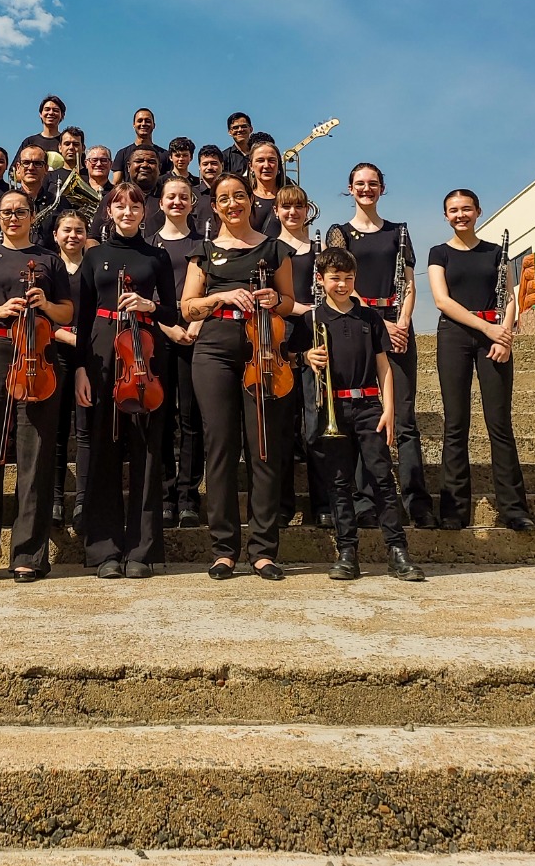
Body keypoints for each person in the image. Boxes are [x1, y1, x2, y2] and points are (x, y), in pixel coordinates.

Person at [181, 175, 294, 581]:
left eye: (239, 196)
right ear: (214, 206)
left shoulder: (275, 248)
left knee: (263, 446)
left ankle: (263, 550)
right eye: (224, 198)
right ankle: (224, 550)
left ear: (250, 201)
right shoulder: (203, 251)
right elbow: (188, 307)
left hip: (262, 349)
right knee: (220, 447)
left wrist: (274, 299)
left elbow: (288, 302)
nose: (233, 204)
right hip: (213, 351)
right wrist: (219, 297)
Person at [0, 191, 72, 582]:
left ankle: (28, 555)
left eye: (21, 211)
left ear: (32, 215)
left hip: (37, 353)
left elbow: (67, 311)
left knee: (34, 454)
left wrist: (45, 305)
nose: (13, 217)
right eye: (6, 212)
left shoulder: (50, 260)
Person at [326, 163, 437, 531]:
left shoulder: (398, 231)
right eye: (359, 183)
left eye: (373, 183)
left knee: (404, 418)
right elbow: (343, 284)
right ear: (350, 188)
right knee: (364, 416)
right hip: (361, 326)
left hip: (398, 325)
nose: (366, 188)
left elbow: (409, 283)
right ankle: (365, 503)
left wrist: (402, 321)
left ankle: (416, 502)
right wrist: (381, 323)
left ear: (382, 188)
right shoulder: (339, 233)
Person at [75, 184, 177, 578]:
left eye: (135, 205)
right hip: (102, 353)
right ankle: (105, 551)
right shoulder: (94, 256)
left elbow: (172, 313)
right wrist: (81, 368)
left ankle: (142, 551)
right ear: (109, 211)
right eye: (120, 205)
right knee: (103, 449)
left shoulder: (157, 256)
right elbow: (84, 317)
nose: (128, 211)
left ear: (144, 211)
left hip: (144, 354)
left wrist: (150, 305)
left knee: (147, 451)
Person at [306, 248, 425, 583]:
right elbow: (298, 357)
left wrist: (389, 409)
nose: (342, 284)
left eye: (348, 278)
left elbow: (383, 366)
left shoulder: (369, 318)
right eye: (335, 278)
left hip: (369, 406)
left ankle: (397, 550)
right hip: (333, 408)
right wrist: (307, 357)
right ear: (321, 279)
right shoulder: (313, 319)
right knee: (339, 482)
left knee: (382, 478)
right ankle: (347, 551)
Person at [428, 190, 534, 532]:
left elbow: (510, 298)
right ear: (445, 215)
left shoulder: (496, 252)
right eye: (453, 210)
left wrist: (504, 336)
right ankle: (454, 511)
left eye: (466, 209)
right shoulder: (439, 253)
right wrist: (487, 328)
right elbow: (442, 301)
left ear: (478, 211)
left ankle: (514, 509)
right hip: (454, 336)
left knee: (499, 424)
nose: (460, 215)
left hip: (495, 338)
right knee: (455, 424)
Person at [274, 185, 333, 528]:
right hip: (280, 342)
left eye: (298, 207)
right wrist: (304, 309)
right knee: (282, 429)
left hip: (315, 341)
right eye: (286, 207)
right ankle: (282, 505)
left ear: (307, 211)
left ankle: (323, 504)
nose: (292, 213)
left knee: (315, 427)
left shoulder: (319, 251)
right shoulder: (270, 249)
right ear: (276, 211)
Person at [152, 176, 204, 527]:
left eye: (183, 197)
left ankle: (188, 497)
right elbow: (144, 294)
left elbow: (210, 288)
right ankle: (166, 495)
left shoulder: (203, 244)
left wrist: (195, 325)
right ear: (161, 203)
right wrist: (168, 327)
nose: (177, 202)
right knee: (162, 417)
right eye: (171, 197)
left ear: (192, 202)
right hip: (158, 336)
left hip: (195, 336)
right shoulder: (149, 245)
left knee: (190, 419)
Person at [51, 208, 89, 530]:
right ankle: (54, 499)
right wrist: (65, 335)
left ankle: (83, 502)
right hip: (57, 354)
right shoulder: (49, 268)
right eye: (67, 230)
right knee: (58, 429)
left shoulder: (93, 267)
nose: (73, 236)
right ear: (55, 235)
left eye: (79, 230)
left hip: (90, 354)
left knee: (86, 431)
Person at [88, 147, 165, 244]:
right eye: (139, 161)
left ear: (159, 167)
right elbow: (93, 238)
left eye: (151, 162)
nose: (145, 165)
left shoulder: (170, 198)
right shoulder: (112, 197)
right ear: (128, 167)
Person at [112, 109, 171, 183]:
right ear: (134, 124)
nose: (143, 124)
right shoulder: (122, 153)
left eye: (147, 121)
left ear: (154, 125)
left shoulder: (165, 155)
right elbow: (116, 183)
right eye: (140, 121)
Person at [14, 96, 67, 170]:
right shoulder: (29, 142)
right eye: (47, 109)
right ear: (40, 114)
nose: (51, 113)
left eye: (55, 110)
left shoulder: (68, 143)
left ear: (62, 115)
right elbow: (14, 171)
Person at [248, 139, 286, 235]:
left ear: (278, 164)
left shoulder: (290, 198)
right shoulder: (244, 199)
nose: (266, 165)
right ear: (251, 166)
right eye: (260, 160)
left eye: (271, 160)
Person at [192, 146, 223, 238]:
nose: (209, 167)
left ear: (222, 165)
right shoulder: (191, 195)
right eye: (205, 164)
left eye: (214, 163)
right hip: (198, 245)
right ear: (199, 167)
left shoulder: (230, 193)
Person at [222, 112, 254, 177]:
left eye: (243, 126)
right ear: (229, 132)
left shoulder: (259, 152)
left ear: (251, 129)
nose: (240, 130)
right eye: (235, 128)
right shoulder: (224, 157)